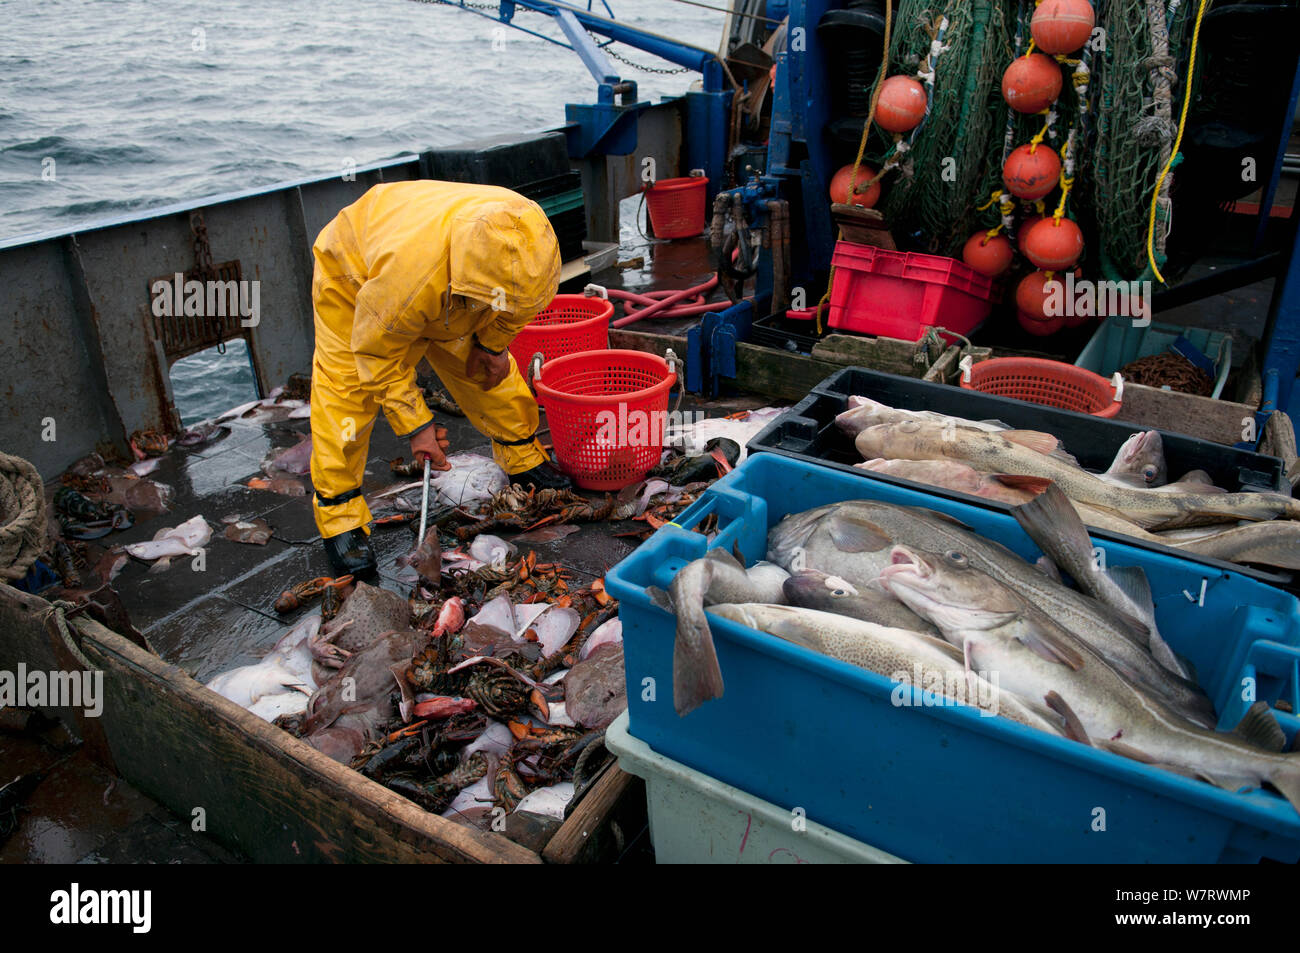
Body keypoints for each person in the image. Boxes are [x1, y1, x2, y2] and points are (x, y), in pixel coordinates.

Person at [307, 180, 572, 577]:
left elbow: (520, 302)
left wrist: (494, 344)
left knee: (488, 372)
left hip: (454, 288)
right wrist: (416, 426)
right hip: (355, 273)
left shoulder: (528, 237)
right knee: (347, 393)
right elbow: (377, 354)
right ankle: (340, 516)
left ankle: (521, 453)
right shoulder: (406, 280)